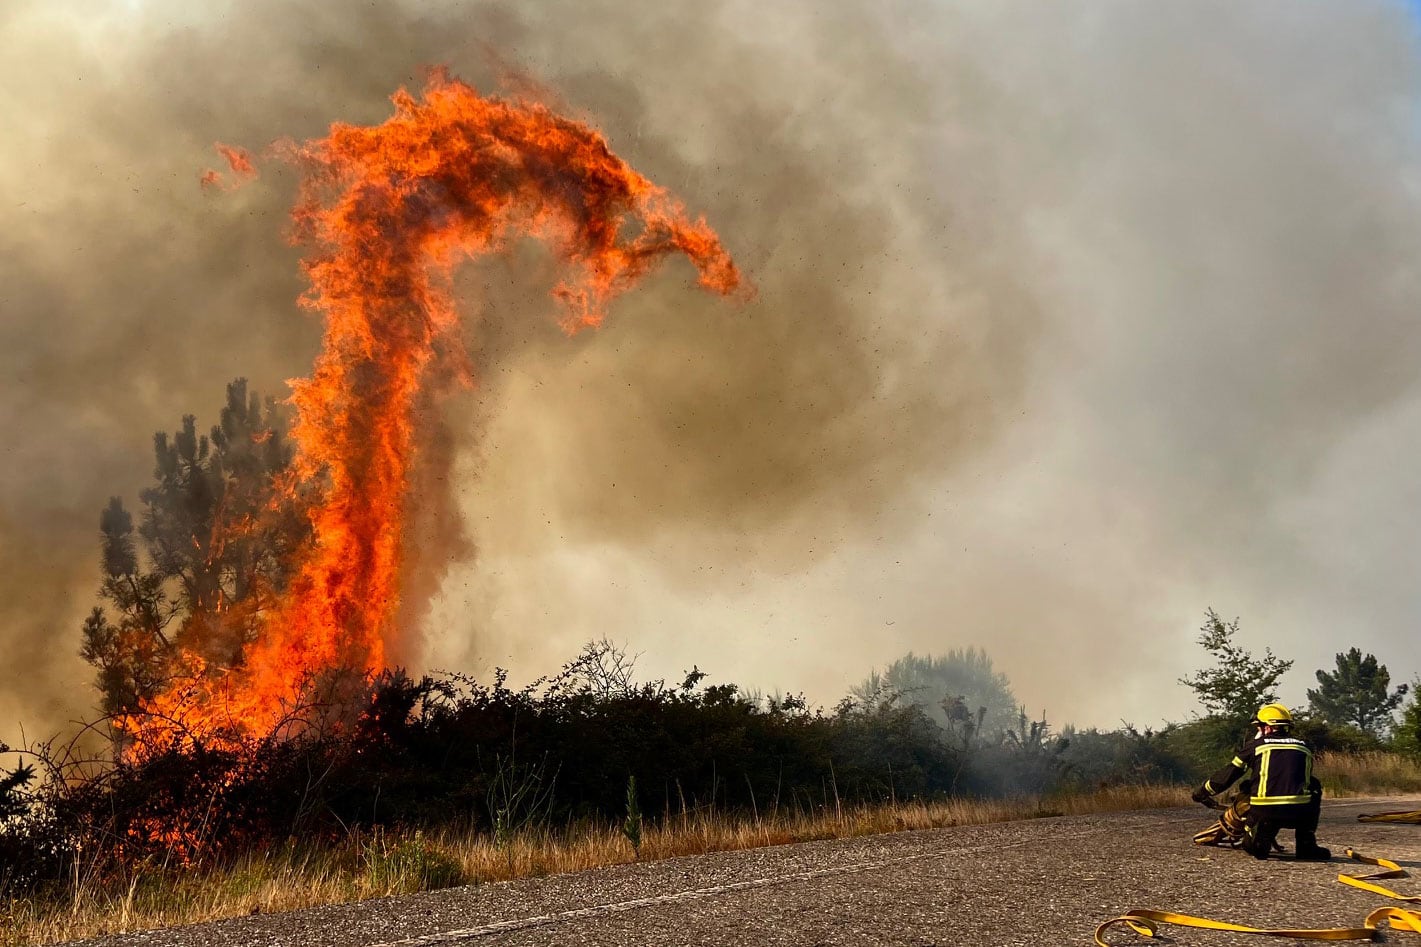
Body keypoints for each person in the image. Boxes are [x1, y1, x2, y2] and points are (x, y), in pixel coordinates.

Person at [1190, 703, 1330, 861]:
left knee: (1255, 848)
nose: (1257, 731)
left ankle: (1260, 840)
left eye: (1258, 728)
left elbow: (1229, 774)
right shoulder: (1304, 747)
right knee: (1314, 785)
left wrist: (1202, 792)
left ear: (1267, 728)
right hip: (1298, 813)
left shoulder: (1255, 746)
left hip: (1266, 813)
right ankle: (1306, 845)